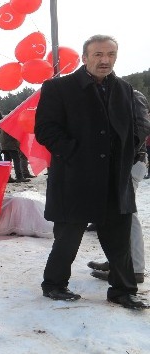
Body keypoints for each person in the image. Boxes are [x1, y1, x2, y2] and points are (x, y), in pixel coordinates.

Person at [35, 35, 150, 309]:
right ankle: (54, 284)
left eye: (110, 54)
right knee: (68, 236)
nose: (105, 60)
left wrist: (127, 152)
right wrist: (74, 153)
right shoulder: (58, 87)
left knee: (119, 237)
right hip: (75, 176)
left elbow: (134, 128)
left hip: (114, 177)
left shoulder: (123, 88)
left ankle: (123, 290)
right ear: (84, 58)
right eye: (98, 54)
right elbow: (45, 130)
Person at [86, 89, 150, 285]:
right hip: (119, 164)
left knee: (127, 214)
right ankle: (118, 261)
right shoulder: (108, 96)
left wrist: (122, 151)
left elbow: (142, 126)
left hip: (129, 163)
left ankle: (135, 269)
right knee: (117, 214)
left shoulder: (130, 94)